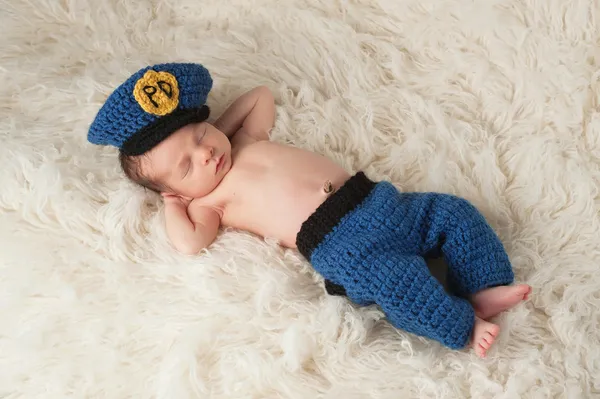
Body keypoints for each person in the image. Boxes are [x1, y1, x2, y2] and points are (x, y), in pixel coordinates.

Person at [87, 62, 531, 358]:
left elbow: (259, 97)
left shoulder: (242, 142)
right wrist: (173, 202)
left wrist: (209, 134)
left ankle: (482, 285)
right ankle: (463, 325)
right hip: (342, 244)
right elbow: (188, 244)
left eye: (201, 137)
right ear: (175, 190)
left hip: (376, 199)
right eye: (186, 166)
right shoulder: (210, 203)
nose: (205, 155)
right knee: (399, 282)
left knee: (453, 214)